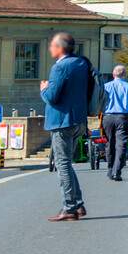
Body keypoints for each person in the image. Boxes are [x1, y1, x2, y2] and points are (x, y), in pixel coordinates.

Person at [40, 31, 97, 220]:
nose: (49, 48)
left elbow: (52, 97)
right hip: (78, 119)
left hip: (61, 121)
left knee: (62, 164)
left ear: (59, 47)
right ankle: (78, 204)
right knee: (67, 164)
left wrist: (43, 89)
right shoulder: (82, 63)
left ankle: (69, 207)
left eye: (51, 45)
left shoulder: (60, 67)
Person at [101, 63, 128, 181]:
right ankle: (117, 171)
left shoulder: (105, 87)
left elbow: (99, 102)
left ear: (113, 74)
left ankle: (110, 168)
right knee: (121, 144)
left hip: (108, 117)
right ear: (124, 75)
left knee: (110, 143)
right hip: (123, 117)